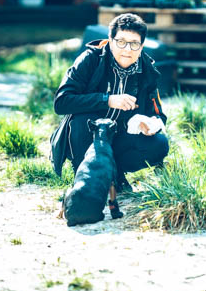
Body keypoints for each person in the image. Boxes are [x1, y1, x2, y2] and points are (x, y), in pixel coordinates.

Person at [50, 13, 169, 192]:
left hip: (121, 137)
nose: (127, 49)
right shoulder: (91, 59)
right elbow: (61, 102)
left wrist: (152, 124)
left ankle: (116, 173)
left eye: (134, 44)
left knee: (160, 144)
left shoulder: (147, 70)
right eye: (121, 41)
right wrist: (108, 100)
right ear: (111, 40)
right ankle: (85, 178)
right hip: (87, 135)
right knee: (81, 120)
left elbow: (158, 114)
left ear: (142, 46)